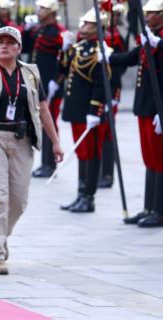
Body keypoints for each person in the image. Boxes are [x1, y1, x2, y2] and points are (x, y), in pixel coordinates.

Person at [0, 26, 63, 274]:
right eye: (0, 42)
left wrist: (56, 142)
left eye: (10, 42)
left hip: (22, 140)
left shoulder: (29, 74)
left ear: (19, 48)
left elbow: (43, 109)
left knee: (18, 201)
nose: (4, 46)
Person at [109, 0, 163, 227]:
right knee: (150, 159)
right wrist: (109, 55)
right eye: (147, 12)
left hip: (157, 109)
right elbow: (132, 58)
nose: (146, 16)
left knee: (160, 161)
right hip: (145, 107)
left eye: (151, 13)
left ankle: (159, 211)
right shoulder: (150, 37)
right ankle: (149, 207)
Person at [55, 9, 109, 213]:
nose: (83, 27)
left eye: (88, 24)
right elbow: (61, 70)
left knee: (92, 153)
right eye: (83, 23)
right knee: (82, 152)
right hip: (76, 110)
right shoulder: (77, 48)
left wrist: (95, 110)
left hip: (89, 111)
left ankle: (89, 197)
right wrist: (64, 48)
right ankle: (80, 194)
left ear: (97, 27)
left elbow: (100, 84)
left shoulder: (101, 51)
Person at [22, 0, 66, 178]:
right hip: (38, 82)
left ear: (52, 11)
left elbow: (64, 59)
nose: (39, 11)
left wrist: (57, 81)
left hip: (51, 84)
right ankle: (44, 163)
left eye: (43, 8)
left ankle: (50, 164)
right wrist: (25, 30)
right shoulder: (39, 29)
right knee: (40, 122)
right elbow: (25, 48)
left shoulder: (59, 32)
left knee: (51, 123)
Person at [99, 2, 128, 189]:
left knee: (108, 131)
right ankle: (98, 171)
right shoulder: (100, 35)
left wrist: (113, 90)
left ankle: (107, 173)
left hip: (111, 88)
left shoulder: (116, 37)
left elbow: (120, 66)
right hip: (96, 90)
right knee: (97, 132)